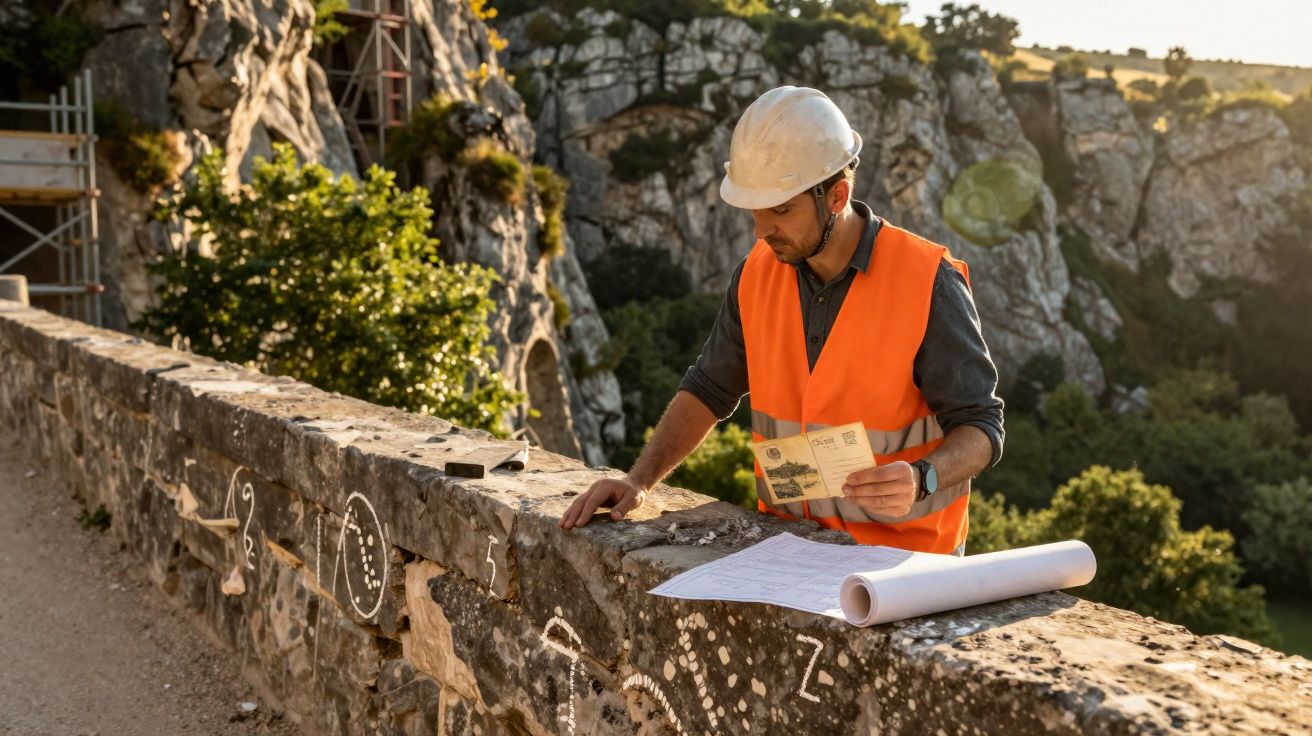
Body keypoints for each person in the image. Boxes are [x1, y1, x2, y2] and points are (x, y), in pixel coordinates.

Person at [559, 86, 1004, 555]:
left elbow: (982, 425)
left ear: (837, 196)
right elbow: (709, 389)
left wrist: (922, 477)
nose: (762, 229)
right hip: (786, 553)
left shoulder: (926, 281)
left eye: (782, 209)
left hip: (903, 563)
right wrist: (638, 481)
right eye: (756, 210)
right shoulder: (757, 273)